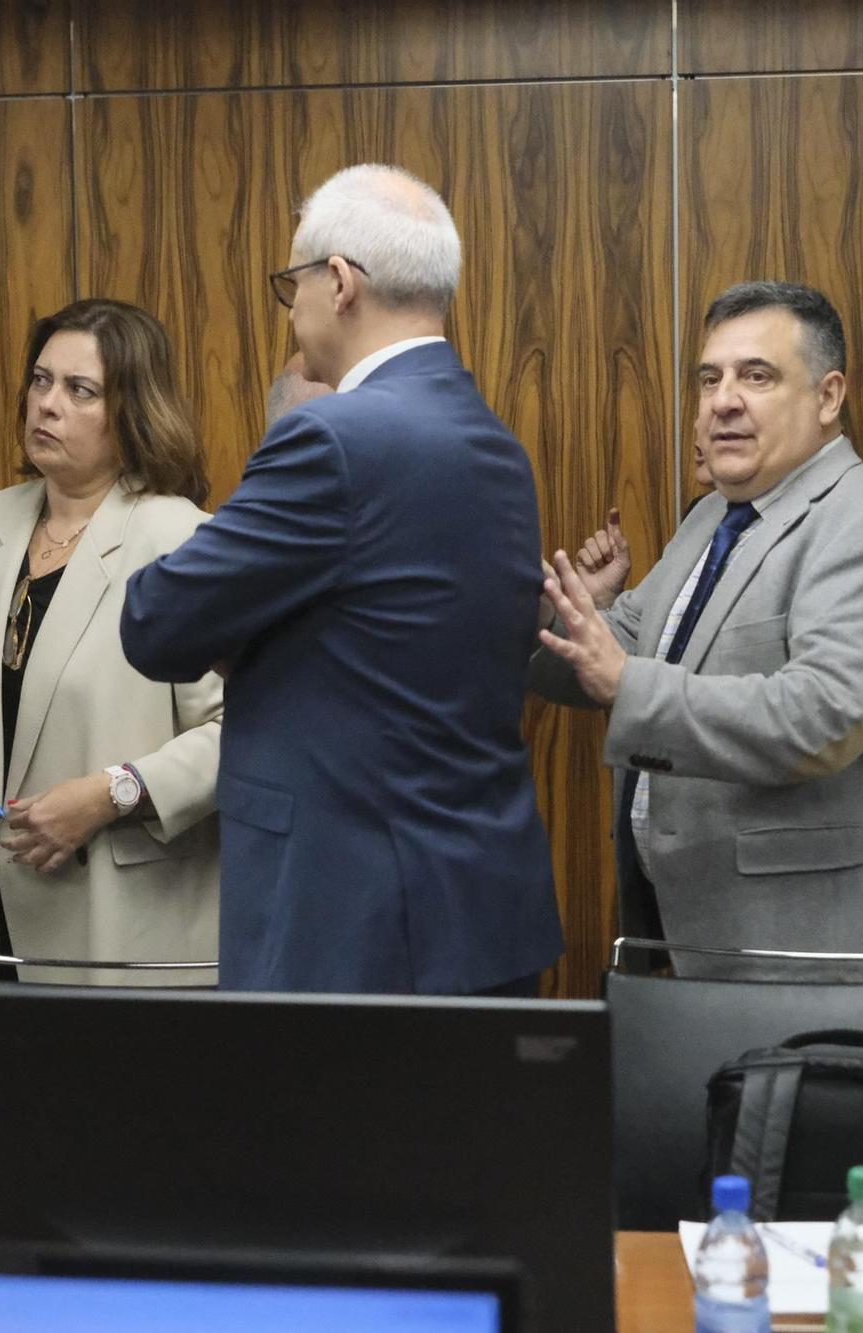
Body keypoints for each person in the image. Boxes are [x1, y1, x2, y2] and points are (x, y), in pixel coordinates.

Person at [120, 163, 563, 995]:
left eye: (292, 285)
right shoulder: (498, 445)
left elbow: (155, 621)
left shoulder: (331, 437)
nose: (292, 309)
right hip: (480, 918)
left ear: (339, 281)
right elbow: (389, 641)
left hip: (351, 928)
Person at [532, 281, 863, 981]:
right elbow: (617, 649)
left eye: (756, 376)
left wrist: (626, 681)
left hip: (832, 961)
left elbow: (820, 717)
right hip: (702, 943)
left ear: (829, 397)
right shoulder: (711, 517)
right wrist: (532, 600)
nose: (722, 401)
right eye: (710, 378)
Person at [0, 299, 222, 985]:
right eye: (41, 381)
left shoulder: (178, 538)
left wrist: (113, 792)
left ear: (131, 410)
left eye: (80, 390)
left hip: (120, 931)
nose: (47, 404)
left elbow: (239, 728)